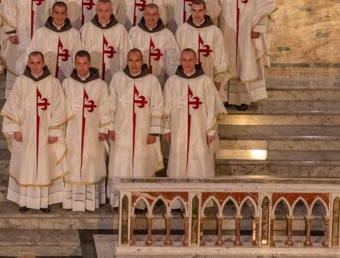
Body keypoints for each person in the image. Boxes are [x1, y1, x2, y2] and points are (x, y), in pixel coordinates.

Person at [0, 51, 67, 212]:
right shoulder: (21, 82)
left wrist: (55, 131)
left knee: (45, 166)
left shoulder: (53, 83)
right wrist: (15, 128)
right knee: (26, 165)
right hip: (25, 132)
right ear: (28, 64)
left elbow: (60, 109)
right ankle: (25, 200)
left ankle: (44, 201)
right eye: (32, 63)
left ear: (43, 63)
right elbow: (12, 106)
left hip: (46, 133)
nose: (35, 66)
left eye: (38, 63)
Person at [213, 0, 275, 110]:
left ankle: (243, 100)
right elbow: (214, 3)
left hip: (248, 30)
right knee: (226, 62)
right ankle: (226, 97)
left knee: (245, 62)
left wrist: (258, 27)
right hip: (226, 29)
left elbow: (266, 3)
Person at [106, 49, 163, 208]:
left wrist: (153, 131)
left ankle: (140, 204)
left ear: (142, 61)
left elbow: (158, 107)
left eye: (137, 60)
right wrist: (110, 127)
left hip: (143, 133)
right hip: (121, 132)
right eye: (130, 60)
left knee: (141, 167)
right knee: (120, 165)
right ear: (127, 61)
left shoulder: (151, 81)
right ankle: (118, 202)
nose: (133, 64)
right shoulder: (118, 78)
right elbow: (110, 105)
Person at [0, 0, 56, 93]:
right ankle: (17, 94)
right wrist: (11, 31)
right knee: (19, 62)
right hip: (19, 32)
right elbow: (8, 6)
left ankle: (40, 93)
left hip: (40, 30)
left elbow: (51, 7)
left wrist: (49, 31)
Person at [162, 49, 226, 179]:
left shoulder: (206, 82)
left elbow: (212, 107)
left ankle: (202, 189)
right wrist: (166, 129)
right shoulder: (172, 82)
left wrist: (210, 132)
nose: (187, 64)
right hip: (178, 130)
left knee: (200, 160)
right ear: (180, 61)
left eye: (190, 60)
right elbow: (165, 107)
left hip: (200, 130)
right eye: (184, 60)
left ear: (196, 61)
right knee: (178, 160)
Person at [60, 51, 110, 212]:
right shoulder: (67, 83)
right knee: (72, 164)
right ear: (74, 64)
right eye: (78, 64)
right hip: (72, 132)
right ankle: (71, 202)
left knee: (91, 165)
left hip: (92, 132)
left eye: (84, 64)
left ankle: (91, 202)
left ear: (90, 64)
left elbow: (105, 108)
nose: (81, 67)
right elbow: (61, 108)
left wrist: (103, 128)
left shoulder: (100, 85)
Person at [174, 0, 229, 91]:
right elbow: (176, 56)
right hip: (186, 79)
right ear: (190, 11)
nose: (197, 14)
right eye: (194, 10)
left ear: (205, 11)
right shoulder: (182, 30)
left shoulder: (215, 31)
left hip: (209, 77)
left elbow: (221, 56)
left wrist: (219, 79)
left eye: (200, 10)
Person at [25, 1, 83, 80]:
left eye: (62, 13)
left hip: (67, 78)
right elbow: (30, 56)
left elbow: (79, 58)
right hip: (44, 78)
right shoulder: (40, 33)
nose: (59, 16)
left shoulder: (74, 34)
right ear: (51, 14)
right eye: (56, 13)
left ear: (66, 15)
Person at [79, 0, 131, 83]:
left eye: (106, 10)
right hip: (91, 78)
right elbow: (80, 55)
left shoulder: (120, 30)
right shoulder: (86, 29)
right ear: (96, 10)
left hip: (114, 76)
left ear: (111, 11)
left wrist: (122, 77)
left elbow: (126, 54)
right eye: (100, 10)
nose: (103, 14)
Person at [128, 4, 178, 84]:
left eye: (154, 14)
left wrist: (173, 81)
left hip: (160, 79)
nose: (151, 18)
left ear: (159, 15)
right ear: (144, 14)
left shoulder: (167, 35)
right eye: (148, 14)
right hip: (138, 80)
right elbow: (128, 57)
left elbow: (173, 61)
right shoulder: (134, 32)